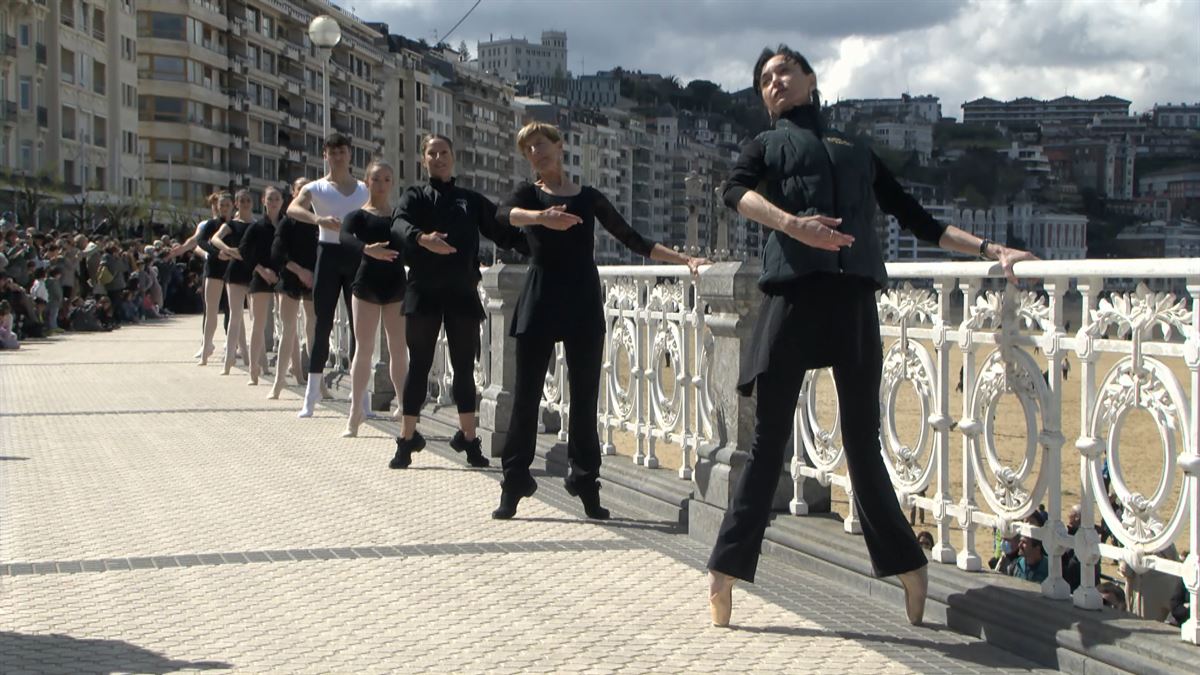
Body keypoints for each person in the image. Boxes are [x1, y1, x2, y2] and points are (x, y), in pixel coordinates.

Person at [704, 45, 1038, 629]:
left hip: (853, 301)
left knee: (863, 445)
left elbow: (917, 219)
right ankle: (725, 571)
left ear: (809, 79)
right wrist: (791, 224)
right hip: (791, 299)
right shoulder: (766, 146)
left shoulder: (855, 151)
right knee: (767, 446)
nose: (774, 82)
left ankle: (909, 566)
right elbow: (733, 193)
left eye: (784, 71)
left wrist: (991, 249)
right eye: (764, 79)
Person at [490, 121, 708, 521]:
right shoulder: (529, 196)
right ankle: (515, 481)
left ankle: (585, 481)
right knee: (525, 397)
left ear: (559, 147)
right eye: (528, 150)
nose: (536, 154)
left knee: (587, 398)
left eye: (541, 145)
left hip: (582, 300)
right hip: (539, 298)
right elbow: (504, 215)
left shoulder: (588, 198)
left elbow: (632, 239)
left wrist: (685, 260)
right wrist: (542, 218)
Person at [389, 134, 530, 468]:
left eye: (444, 152)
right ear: (424, 159)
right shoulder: (415, 196)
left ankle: (468, 439)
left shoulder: (470, 200)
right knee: (419, 365)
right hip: (422, 291)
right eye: (432, 153)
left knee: (466, 368)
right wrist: (422, 239)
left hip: (462, 292)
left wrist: (541, 244)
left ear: (453, 158)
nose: (438, 158)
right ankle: (407, 439)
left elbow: (502, 229)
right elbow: (397, 224)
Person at [286, 134, 367, 418]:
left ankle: (362, 397)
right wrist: (317, 219)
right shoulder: (316, 187)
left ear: (349, 154)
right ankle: (311, 396)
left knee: (361, 329)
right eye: (332, 153)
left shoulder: (363, 189)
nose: (337, 157)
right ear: (325, 156)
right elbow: (293, 208)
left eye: (342, 152)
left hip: (356, 257)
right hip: (328, 254)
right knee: (321, 326)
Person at [338, 161, 408, 438]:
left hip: (396, 285)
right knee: (363, 349)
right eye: (376, 179)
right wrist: (368, 250)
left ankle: (403, 405)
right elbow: (343, 238)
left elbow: (412, 241)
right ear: (367, 182)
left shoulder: (399, 217)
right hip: (366, 284)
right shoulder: (358, 215)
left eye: (387, 179)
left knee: (398, 348)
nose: (381, 184)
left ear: (392, 183)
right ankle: (356, 411)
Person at [169, 193, 236, 365]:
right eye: (218, 204)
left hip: (230, 268)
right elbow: (197, 241)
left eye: (225, 204)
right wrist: (182, 249)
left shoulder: (236, 224)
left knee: (230, 308)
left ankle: (231, 344)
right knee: (210, 308)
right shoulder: (208, 224)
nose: (220, 207)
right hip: (213, 267)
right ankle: (206, 343)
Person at [270, 177, 318, 400]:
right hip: (291, 277)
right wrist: (300, 271)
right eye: (300, 190)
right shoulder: (287, 221)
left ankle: (317, 381)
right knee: (288, 330)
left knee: (313, 331)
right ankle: (279, 380)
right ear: (294, 192)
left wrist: (314, 274)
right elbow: (278, 253)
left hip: (314, 279)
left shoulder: (318, 220)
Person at [239, 187, 284, 386]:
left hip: (283, 277)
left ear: (282, 201)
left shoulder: (287, 225)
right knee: (258, 323)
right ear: (264, 201)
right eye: (270, 199)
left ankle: (294, 371)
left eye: (277, 198)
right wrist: (261, 270)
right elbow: (244, 251)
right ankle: (253, 369)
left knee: (288, 325)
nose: (273, 202)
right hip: (260, 276)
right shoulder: (256, 227)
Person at [210, 189, 255, 377]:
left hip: (253, 273)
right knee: (235, 317)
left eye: (248, 200)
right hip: (235, 272)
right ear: (237, 203)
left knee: (256, 319)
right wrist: (228, 249)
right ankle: (229, 361)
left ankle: (255, 361)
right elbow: (214, 239)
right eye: (241, 200)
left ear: (253, 203)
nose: (245, 203)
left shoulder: (257, 225)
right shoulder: (232, 225)